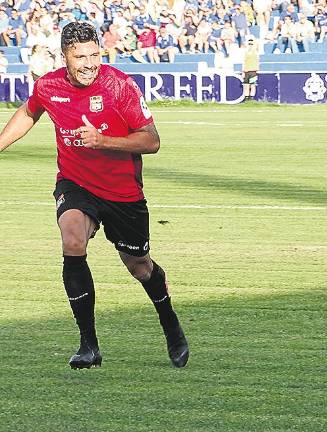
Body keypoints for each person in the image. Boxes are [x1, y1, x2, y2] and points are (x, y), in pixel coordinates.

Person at [0, 22, 188, 370]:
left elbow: (151, 141)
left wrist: (103, 141)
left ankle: (170, 325)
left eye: (94, 55)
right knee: (72, 242)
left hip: (122, 192)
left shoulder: (119, 85)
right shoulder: (48, 85)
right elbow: (29, 112)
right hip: (76, 184)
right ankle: (89, 345)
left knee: (139, 267)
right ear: (64, 57)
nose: (89, 63)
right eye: (80, 56)